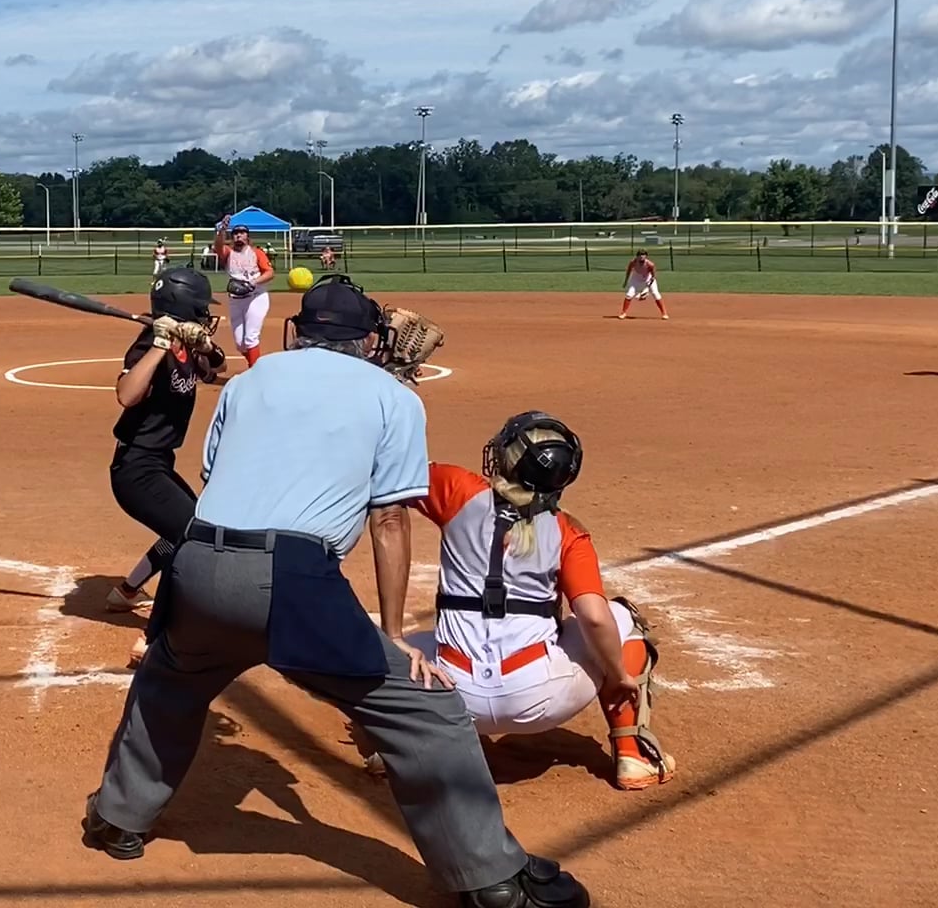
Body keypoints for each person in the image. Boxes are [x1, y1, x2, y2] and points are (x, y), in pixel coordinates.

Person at [80, 274, 588, 908]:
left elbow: (216, 474)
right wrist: (395, 637)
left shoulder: (249, 380)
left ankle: (116, 818)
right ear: (370, 339)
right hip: (293, 579)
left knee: (169, 681)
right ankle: (491, 880)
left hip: (198, 561)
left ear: (298, 331)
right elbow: (390, 519)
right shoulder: (396, 399)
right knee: (426, 714)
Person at [350, 412, 677, 792]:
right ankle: (632, 756)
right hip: (539, 698)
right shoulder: (568, 531)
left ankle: (402, 747)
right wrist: (619, 676)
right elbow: (593, 617)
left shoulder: (457, 489)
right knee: (622, 619)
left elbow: (391, 478)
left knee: (399, 647)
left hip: (451, 694)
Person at [101, 267, 225, 666]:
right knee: (191, 536)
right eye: (201, 310)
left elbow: (216, 368)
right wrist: (158, 346)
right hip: (135, 468)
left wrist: (203, 344)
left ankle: (125, 592)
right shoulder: (147, 344)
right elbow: (126, 395)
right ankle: (153, 638)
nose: (206, 316)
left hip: (158, 461)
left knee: (192, 524)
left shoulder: (186, 343)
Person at [212, 218, 274, 367]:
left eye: (242, 232)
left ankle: (255, 372)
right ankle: (255, 366)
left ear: (247, 236)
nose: (239, 235)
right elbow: (218, 246)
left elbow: (269, 273)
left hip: (256, 297)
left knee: (250, 338)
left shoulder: (256, 253)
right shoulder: (228, 253)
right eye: (235, 233)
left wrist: (253, 282)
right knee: (240, 344)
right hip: (236, 299)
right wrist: (222, 230)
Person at [619, 250, 667, 319]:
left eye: (643, 255)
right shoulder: (633, 262)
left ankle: (664, 313)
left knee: (655, 294)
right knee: (629, 294)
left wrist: (647, 288)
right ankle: (623, 313)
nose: (642, 256)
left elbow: (653, 277)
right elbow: (629, 271)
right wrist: (626, 281)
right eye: (640, 255)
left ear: (646, 256)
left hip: (648, 279)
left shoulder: (650, 264)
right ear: (637, 256)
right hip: (636, 279)